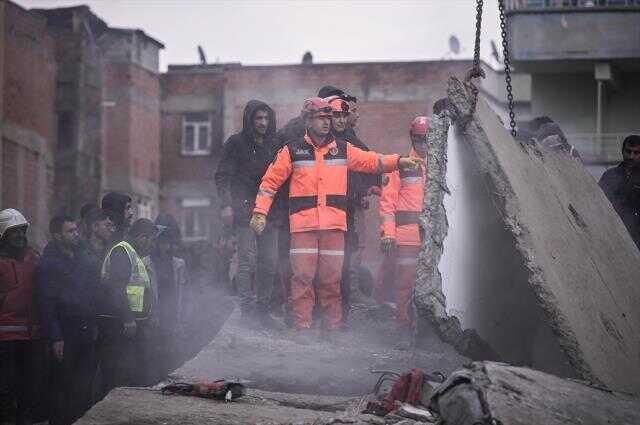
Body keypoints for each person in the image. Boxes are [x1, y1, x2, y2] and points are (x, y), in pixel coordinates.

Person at [250, 97, 424, 339]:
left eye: (327, 119)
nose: (326, 123)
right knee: (302, 279)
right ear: (307, 121)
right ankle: (304, 328)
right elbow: (270, 183)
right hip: (303, 227)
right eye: (321, 118)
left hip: (333, 227)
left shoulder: (342, 149)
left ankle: (332, 328)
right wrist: (260, 212)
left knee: (331, 280)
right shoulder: (292, 151)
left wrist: (397, 161)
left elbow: (371, 160)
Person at [214, 100, 284, 328]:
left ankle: (263, 310)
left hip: (270, 211)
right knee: (247, 261)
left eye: (266, 118)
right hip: (244, 209)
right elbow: (223, 175)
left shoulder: (275, 144)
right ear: (250, 120)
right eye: (258, 118)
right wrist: (226, 205)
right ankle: (246, 310)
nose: (263, 123)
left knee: (270, 261)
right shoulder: (236, 143)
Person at [37, 216, 98, 425]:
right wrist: (56, 337)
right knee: (62, 385)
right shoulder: (49, 263)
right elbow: (46, 303)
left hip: (85, 330)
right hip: (65, 332)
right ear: (57, 235)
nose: (76, 234)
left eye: (76, 230)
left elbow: (91, 293)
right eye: (70, 231)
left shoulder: (83, 257)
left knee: (83, 386)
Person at [379, 116, 429, 343]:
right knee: (405, 285)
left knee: (432, 287)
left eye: (427, 139)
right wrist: (388, 234)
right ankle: (403, 328)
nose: (423, 144)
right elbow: (387, 204)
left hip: (435, 240)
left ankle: (426, 332)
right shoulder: (402, 165)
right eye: (419, 139)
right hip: (408, 237)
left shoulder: (443, 167)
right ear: (412, 138)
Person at [325, 96, 378, 309]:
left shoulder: (349, 139)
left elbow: (368, 161)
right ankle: (346, 295)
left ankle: (348, 294)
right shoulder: (334, 141)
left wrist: (367, 188)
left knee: (352, 249)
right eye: (339, 113)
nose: (350, 115)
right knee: (343, 252)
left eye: (346, 113)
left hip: (350, 202)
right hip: (338, 204)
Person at [97, 218, 157, 393]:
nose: (152, 245)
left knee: (124, 371)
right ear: (142, 237)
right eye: (151, 240)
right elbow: (117, 287)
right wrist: (128, 319)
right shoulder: (122, 251)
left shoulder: (131, 253)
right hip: (117, 324)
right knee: (116, 372)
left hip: (124, 324)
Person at [0, 209, 44, 425]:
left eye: (22, 232)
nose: (19, 236)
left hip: (32, 337)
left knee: (30, 386)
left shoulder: (33, 259)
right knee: (6, 388)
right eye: (13, 232)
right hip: (5, 340)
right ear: (3, 235)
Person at [142, 221, 186, 379]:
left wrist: (180, 318)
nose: (165, 246)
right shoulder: (145, 263)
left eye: (167, 242)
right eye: (161, 242)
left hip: (172, 316)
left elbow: (181, 292)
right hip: (154, 316)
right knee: (153, 355)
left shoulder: (179, 264)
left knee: (172, 354)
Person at [599, 134, 640, 249]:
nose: (631, 156)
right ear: (622, 151)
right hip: (613, 237)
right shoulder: (609, 175)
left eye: (636, 153)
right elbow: (598, 203)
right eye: (628, 151)